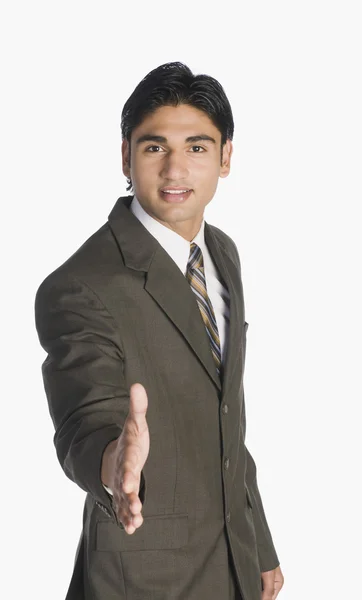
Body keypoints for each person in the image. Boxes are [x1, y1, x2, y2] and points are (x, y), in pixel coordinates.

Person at [35, 61, 284, 600]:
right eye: (154, 148)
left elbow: (227, 418)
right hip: (142, 577)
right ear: (126, 155)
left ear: (225, 158)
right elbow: (85, 419)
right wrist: (113, 466)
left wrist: (258, 544)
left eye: (197, 148)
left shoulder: (222, 253)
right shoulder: (79, 285)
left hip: (234, 562)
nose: (176, 170)